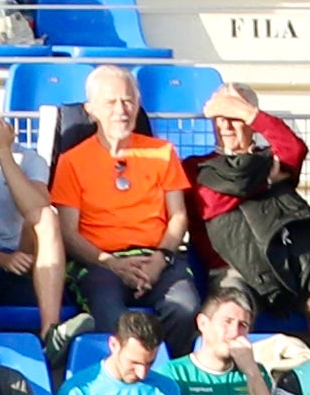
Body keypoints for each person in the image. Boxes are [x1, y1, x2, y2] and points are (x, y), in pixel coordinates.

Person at [36, 66, 200, 359]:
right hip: (100, 262)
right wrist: (111, 263)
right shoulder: (72, 161)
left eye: (128, 101)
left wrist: (160, 260)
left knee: (185, 308)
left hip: (157, 256)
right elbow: (68, 232)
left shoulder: (163, 152)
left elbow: (178, 217)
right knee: (111, 317)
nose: (121, 110)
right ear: (90, 110)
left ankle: (169, 375)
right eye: (110, 103)